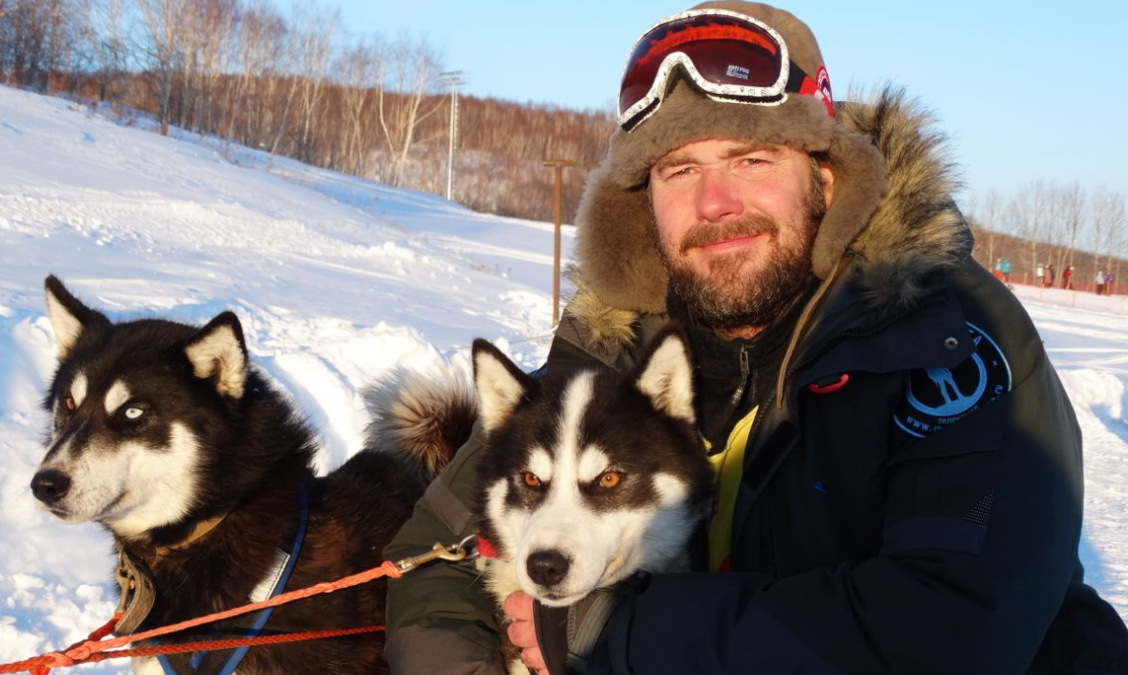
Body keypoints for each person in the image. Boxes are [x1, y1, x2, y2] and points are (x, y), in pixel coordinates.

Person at [382, 3, 1128, 673]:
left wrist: (614, 632)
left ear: (828, 179)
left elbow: (954, 630)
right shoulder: (610, 348)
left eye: (752, 159)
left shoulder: (947, 338)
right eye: (680, 170)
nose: (715, 202)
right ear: (645, 207)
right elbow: (433, 552)